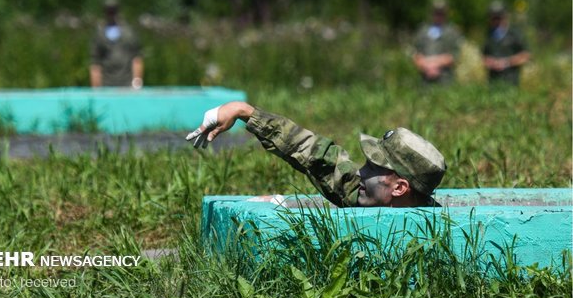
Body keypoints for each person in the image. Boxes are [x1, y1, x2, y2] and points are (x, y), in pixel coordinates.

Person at [186, 102, 447, 208]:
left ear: (400, 187)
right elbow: (315, 154)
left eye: (371, 168)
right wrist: (245, 112)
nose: (359, 172)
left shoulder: (435, 236)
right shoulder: (370, 195)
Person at [90, 0, 144, 88]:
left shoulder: (128, 33)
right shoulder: (100, 35)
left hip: (127, 84)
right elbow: (96, 65)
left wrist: (137, 83)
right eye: (109, 11)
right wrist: (96, 89)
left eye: (113, 11)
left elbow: (136, 60)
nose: (111, 14)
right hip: (106, 85)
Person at [412, 0, 463, 84]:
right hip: (424, 80)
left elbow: (454, 55)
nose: (438, 16)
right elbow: (416, 54)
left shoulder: (452, 32)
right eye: (436, 13)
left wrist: (434, 64)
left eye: (441, 13)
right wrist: (427, 67)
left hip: (445, 80)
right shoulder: (422, 30)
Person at [482, 0, 531, 86]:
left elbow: (526, 55)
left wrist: (506, 62)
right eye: (493, 18)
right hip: (493, 83)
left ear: (505, 17)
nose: (496, 21)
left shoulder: (515, 34)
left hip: (511, 82)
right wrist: (491, 63)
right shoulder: (488, 35)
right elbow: (484, 56)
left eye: (498, 18)